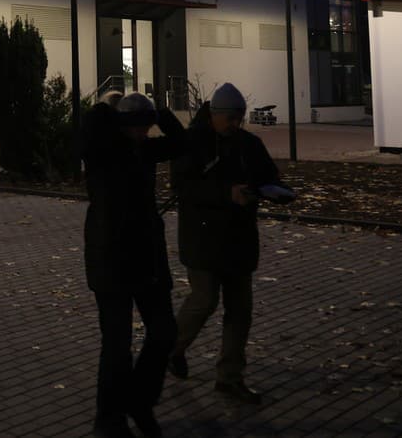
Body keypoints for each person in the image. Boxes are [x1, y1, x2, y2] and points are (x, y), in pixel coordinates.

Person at [168, 82, 284, 405]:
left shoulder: (248, 144)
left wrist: (272, 190)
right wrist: (226, 194)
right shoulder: (194, 143)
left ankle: (230, 377)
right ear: (214, 115)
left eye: (239, 118)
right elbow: (182, 187)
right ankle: (172, 348)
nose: (235, 124)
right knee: (204, 300)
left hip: (238, 238)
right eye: (230, 118)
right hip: (203, 238)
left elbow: (269, 175)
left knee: (240, 310)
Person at [83, 93, 186, 438]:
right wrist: (107, 107)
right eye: (136, 127)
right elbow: (88, 132)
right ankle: (109, 420)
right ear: (120, 123)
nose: (143, 133)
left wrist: (161, 112)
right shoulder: (102, 152)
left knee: (164, 332)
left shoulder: (144, 150)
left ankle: (140, 401)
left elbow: (182, 143)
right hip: (111, 259)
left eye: (147, 127)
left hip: (146, 257)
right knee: (117, 345)